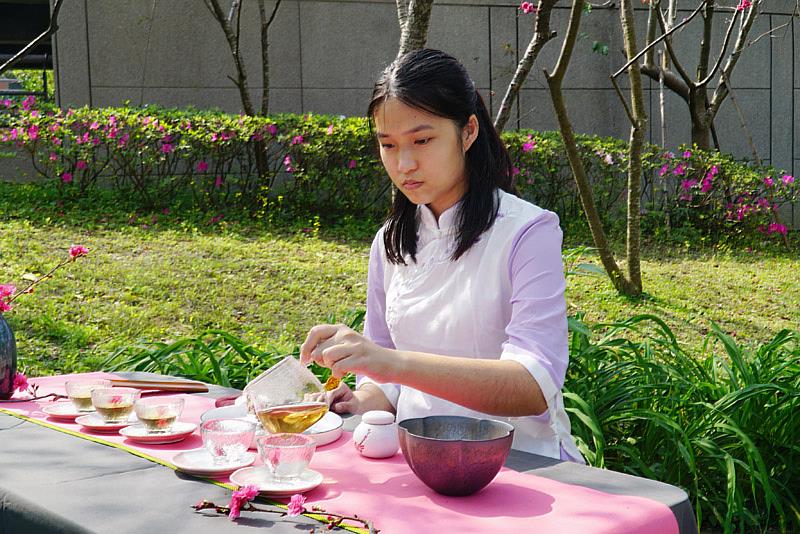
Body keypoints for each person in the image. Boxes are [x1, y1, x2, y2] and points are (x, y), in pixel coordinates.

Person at [300, 48, 582, 462]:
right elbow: (386, 378)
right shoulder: (391, 241)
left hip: (523, 465)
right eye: (388, 145)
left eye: (423, 140)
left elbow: (533, 386)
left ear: (468, 132)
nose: (404, 163)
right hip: (421, 464)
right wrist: (361, 400)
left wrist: (390, 363)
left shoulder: (527, 231)